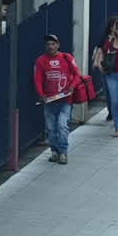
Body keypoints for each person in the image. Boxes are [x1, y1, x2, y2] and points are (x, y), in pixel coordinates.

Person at [33, 33, 80, 165]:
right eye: (48, 44)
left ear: (58, 45)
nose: (51, 46)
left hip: (65, 99)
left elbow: (77, 74)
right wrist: (41, 94)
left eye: (53, 44)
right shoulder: (41, 61)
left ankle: (63, 152)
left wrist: (71, 87)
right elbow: (38, 79)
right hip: (49, 101)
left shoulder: (66, 58)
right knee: (51, 128)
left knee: (62, 125)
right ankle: (54, 151)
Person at [92, 14, 118, 122]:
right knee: (109, 93)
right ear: (111, 27)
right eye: (116, 26)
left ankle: (117, 111)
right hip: (106, 69)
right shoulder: (105, 39)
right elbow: (99, 52)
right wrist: (99, 65)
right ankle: (111, 111)